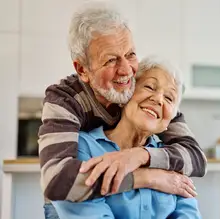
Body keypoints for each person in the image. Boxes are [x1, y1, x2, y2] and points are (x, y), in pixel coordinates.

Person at [38, 2, 207, 218]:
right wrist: (147, 176)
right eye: (111, 60)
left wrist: (140, 155)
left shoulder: (145, 100)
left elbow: (197, 158)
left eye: (130, 54)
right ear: (83, 69)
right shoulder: (66, 101)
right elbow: (58, 182)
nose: (126, 70)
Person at [52, 56, 202, 219]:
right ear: (125, 96)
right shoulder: (83, 146)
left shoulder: (172, 159)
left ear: (170, 120)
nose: (158, 99)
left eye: (169, 98)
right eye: (150, 87)